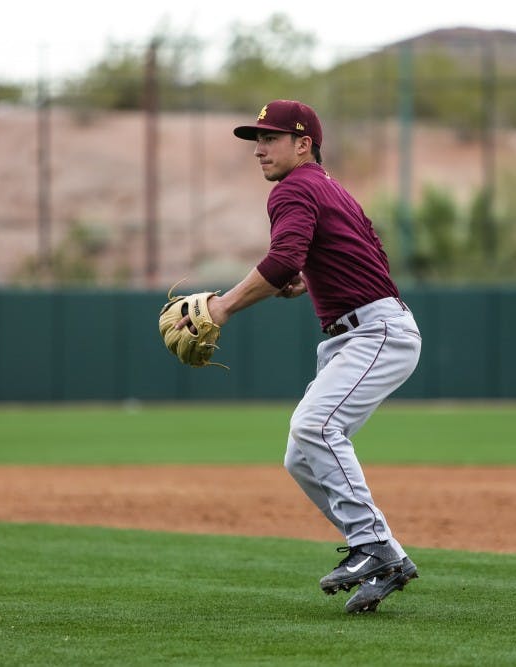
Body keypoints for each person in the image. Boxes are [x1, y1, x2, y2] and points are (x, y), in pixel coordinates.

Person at [176, 100, 422, 613]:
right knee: (301, 453)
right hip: (358, 331)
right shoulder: (328, 187)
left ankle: (371, 545)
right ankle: (392, 559)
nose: (259, 149)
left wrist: (221, 308)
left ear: (303, 143)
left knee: (315, 427)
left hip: (374, 331)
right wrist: (303, 281)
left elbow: (284, 256)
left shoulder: (295, 188)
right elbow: (358, 252)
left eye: (270, 138)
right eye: (256, 140)